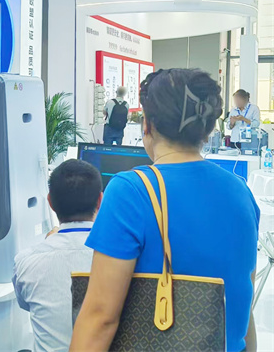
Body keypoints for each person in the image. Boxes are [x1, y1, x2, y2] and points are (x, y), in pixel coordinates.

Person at [71, 69, 259, 352]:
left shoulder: (130, 191)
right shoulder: (241, 192)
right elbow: (244, 306)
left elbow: (100, 317)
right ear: (207, 130)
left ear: (147, 125)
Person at [13, 159, 103, 352]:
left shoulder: (26, 260)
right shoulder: (122, 261)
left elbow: (26, 304)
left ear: (50, 202)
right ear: (100, 200)